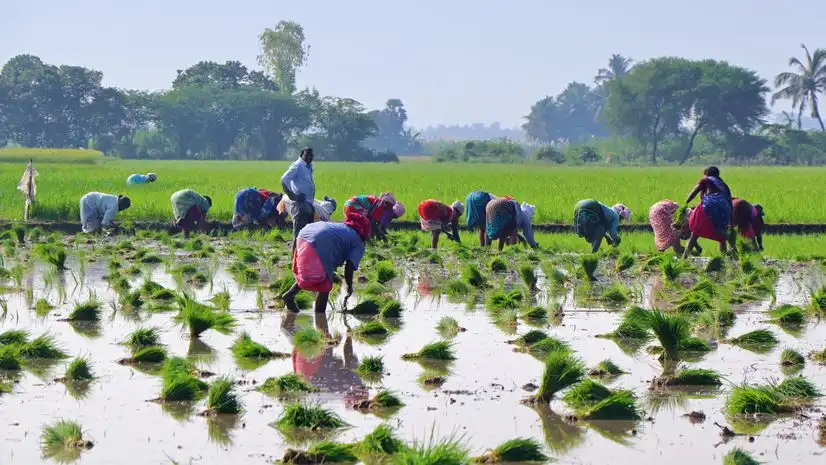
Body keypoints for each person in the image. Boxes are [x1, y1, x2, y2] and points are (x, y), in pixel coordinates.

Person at [280, 213, 371, 314]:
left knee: (312, 273)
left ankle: (289, 295)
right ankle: (320, 317)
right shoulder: (357, 241)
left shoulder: (342, 229)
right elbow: (349, 267)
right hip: (320, 241)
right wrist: (349, 287)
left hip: (305, 234)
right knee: (325, 284)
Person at [683, 166, 734, 258]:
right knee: (722, 235)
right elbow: (730, 203)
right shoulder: (724, 185)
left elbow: (695, 191)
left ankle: (684, 257)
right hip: (724, 208)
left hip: (710, 203)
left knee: (695, 230)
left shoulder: (707, 179)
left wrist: (685, 203)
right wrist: (731, 221)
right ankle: (725, 255)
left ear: (707, 174)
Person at [281, 148, 316, 252]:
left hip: (308, 203)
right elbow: (284, 179)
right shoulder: (298, 165)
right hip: (300, 205)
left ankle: (303, 259)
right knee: (298, 235)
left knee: (307, 236)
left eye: (311, 155)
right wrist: (293, 196)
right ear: (301, 155)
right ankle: (295, 259)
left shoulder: (308, 167)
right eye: (306, 155)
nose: (309, 157)